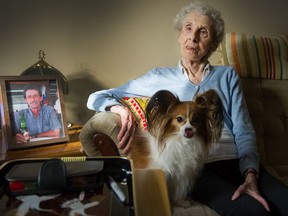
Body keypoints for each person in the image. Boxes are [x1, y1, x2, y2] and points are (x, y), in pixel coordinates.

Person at [86, 1, 288, 215]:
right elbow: (96, 97)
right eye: (188, 28)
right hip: (202, 168)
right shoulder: (158, 77)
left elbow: (243, 129)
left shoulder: (227, 75)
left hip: (241, 162)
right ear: (180, 36)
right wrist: (119, 109)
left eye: (203, 32)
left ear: (213, 43)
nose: (193, 37)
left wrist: (250, 174)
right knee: (254, 212)